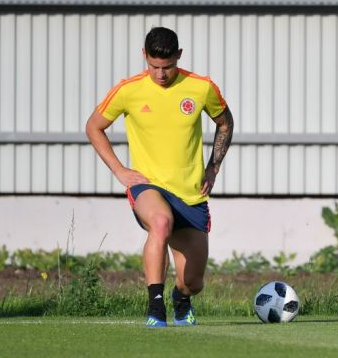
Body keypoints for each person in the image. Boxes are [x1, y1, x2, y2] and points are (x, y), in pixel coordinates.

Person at [85, 26, 234, 327]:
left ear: (179, 56)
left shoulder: (201, 87)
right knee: (161, 222)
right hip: (148, 186)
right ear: (145, 57)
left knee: (193, 282)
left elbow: (225, 122)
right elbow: (93, 126)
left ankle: (180, 298)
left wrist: (213, 167)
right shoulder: (128, 90)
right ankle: (155, 306)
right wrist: (120, 170)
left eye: (167, 67)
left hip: (190, 194)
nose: (161, 74)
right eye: (154, 66)